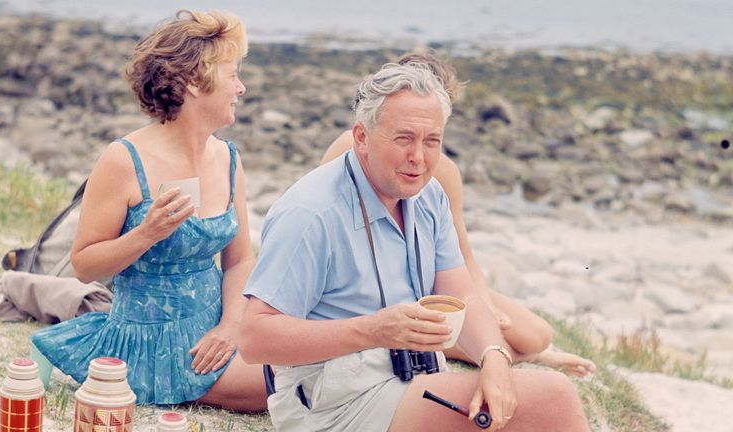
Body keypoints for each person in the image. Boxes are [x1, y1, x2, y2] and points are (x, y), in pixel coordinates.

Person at [239, 63, 590, 431]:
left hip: (410, 380)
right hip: (333, 404)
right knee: (554, 396)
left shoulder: (429, 194)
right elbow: (254, 339)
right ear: (361, 137)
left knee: (518, 398)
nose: (419, 158)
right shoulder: (311, 213)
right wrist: (372, 330)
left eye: (431, 141)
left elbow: (462, 296)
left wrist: (494, 358)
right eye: (404, 138)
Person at [30, 9, 266, 410]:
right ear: (194, 81)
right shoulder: (123, 159)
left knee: (310, 351)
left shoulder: (228, 158)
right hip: (151, 342)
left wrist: (230, 326)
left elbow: (240, 259)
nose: (241, 88)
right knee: (292, 384)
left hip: (217, 326)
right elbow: (85, 265)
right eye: (232, 74)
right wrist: (146, 233)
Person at [320, 52, 596, 377]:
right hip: (376, 291)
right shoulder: (350, 147)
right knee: (500, 347)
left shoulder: (445, 172)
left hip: (433, 279)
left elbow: (462, 254)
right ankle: (527, 358)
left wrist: (484, 305)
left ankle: (532, 353)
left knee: (537, 334)